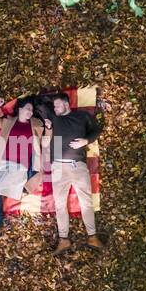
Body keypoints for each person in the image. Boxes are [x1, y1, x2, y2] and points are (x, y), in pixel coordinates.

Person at [43, 91, 101, 254]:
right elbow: (39, 102)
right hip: (58, 169)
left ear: (67, 104)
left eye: (58, 105)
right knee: (60, 205)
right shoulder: (54, 118)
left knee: (86, 202)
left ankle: (92, 237)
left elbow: (96, 130)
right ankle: (63, 239)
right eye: (54, 106)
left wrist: (86, 140)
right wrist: (48, 124)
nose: (55, 108)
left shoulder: (82, 117)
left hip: (78, 166)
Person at [0, 96, 47, 236]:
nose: (30, 112)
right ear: (20, 109)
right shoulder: (8, 121)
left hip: (20, 166)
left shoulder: (36, 124)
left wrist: (49, 126)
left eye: (32, 110)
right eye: (28, 109)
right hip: (2, 162)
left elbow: (48, 133)